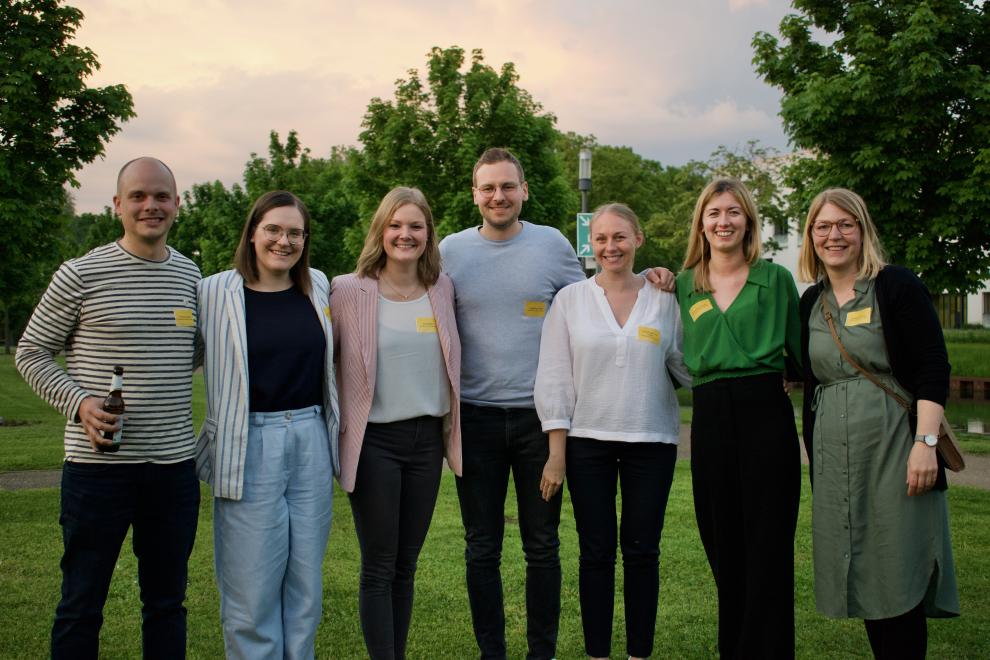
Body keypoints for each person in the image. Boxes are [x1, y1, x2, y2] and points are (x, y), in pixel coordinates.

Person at [15, 157, 201, 659]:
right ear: (117, 205)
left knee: (167, 604)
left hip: (173, 470)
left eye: (162, 196)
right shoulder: (80, 274)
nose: (151, 206)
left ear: (177, 205)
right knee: (82, 603)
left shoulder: (190, 276)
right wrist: (81, 403)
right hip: (98, 472)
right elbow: (30, 352)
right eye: (138, 196)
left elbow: (197, 353)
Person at [797, 188, 959, 659]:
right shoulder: (811, 301)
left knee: (898, 563)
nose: (834, 235)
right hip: (835, 461)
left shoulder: (896, 285)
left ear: (863, 230)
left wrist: (925, 443)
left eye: (846, 224)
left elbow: (933, 365)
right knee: (863, 567)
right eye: (824, 226)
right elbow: (803, 377)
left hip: (895, 448)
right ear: (811, 236)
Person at [439, 148, 586, 659]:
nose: (497, 196)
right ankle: (492, 653)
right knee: (482, 548)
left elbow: (587, 309)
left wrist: (649, 278)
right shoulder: (450, 252)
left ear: (524, 190)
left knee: (541, 547)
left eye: (507, 186)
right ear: (474, 194)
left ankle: (540, 653)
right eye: (487, 188)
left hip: (538, 422)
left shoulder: (552, 245)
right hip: (474, 420)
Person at [534, 203, 691, 660]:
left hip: (652, 442)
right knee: (596, 553)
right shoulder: (570, 301)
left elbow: (687, 365)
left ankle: (639, 653)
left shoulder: (665, 298)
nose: (610, 247)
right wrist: (556, 453)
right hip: (587, 444)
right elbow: (555, 377)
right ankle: (598, 654)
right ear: (591, 244)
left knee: (643, 552)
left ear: (638, 239)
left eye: (620, 237)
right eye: (601, 239)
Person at [194, 190, 340, 659]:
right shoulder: (214, 292)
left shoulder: (317, 285)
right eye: (273, 229)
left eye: (295, 232)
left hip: (312, 440)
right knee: (251, 591)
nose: (284, 240)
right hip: (248, 443)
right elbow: (176, 358)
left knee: (305, 585)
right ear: (253, 233)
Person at [330, 187, 461, 660]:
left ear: (429, 233)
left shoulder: (442, 288)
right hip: (374, 443)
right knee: (379, 566)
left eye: (415, 226)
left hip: (427, 442)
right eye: (396, 225)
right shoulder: (348, 290)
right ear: (380, 231)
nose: (405, 234)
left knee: (406, 565)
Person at [674, 178, 802, 659]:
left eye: (732, 212)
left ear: (748, 220)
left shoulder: (775, 279)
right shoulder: (685, 283)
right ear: (701, 224)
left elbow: (800, 354)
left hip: (764, 413)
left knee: (767, 545)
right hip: (709, 416)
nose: (723, 221)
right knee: (722, 542)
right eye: (713, 213)